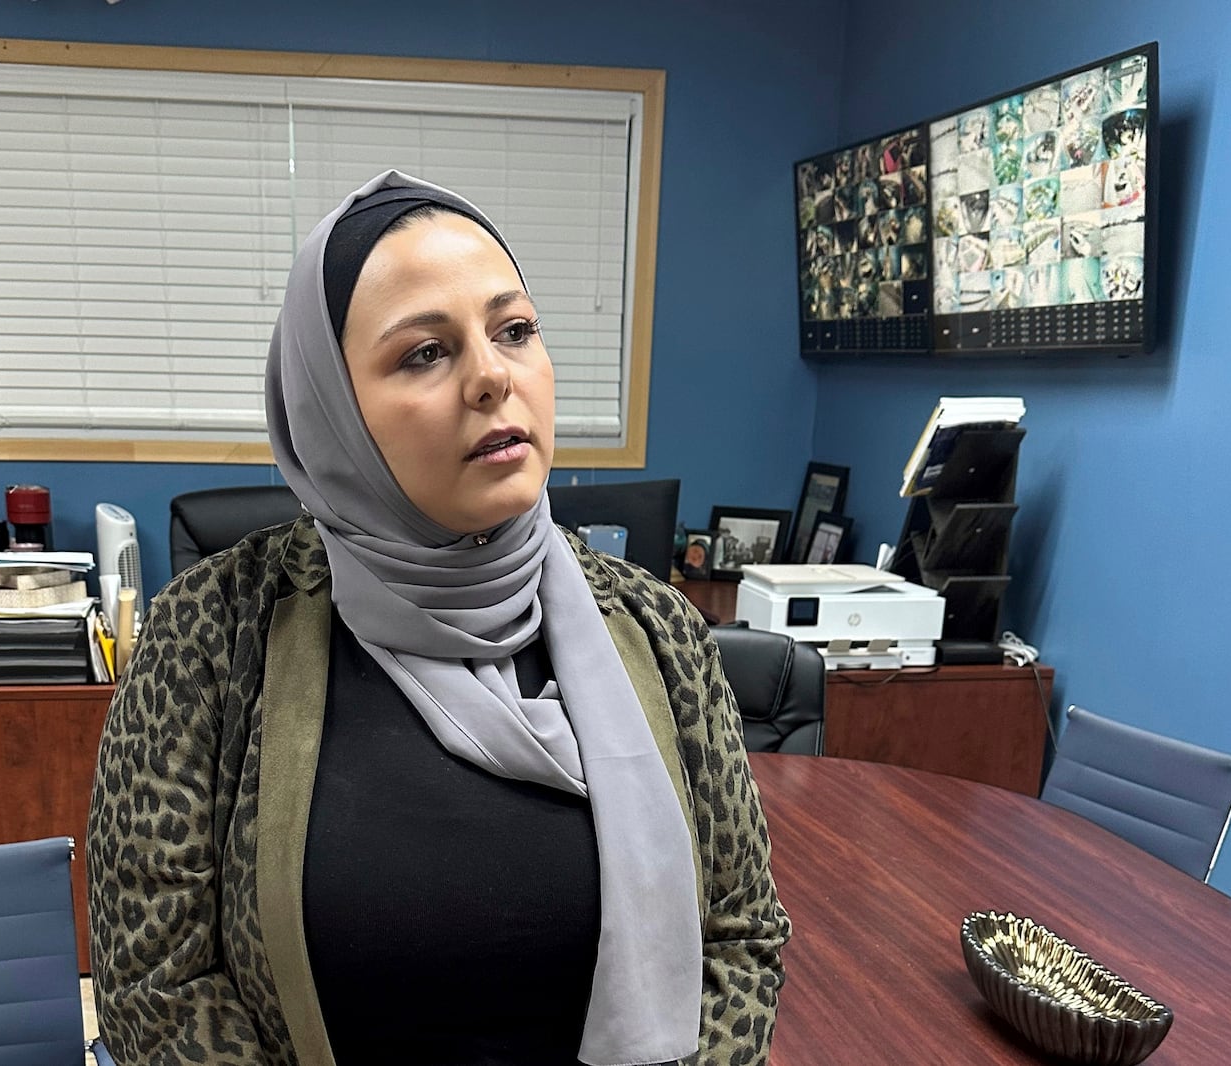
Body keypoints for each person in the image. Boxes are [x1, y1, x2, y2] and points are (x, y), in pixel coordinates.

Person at [87, 170, 791, 1066]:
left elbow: (740, 934)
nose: (494, 376)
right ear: (330, 411)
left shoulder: (653, 625)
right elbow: (156, 982)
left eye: (515, 330)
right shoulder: (209, 634)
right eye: (425, 352)